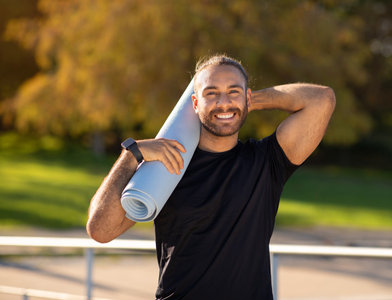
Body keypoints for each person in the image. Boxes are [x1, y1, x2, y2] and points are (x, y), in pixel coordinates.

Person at [86, 54, 336, 300]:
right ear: (194, 103)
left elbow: (322, 99)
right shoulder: (168, 167)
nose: (224, 102)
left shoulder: (266, 161)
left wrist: (251, 100)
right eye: (212, 93)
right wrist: (132, 155)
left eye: (233, 91)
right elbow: (100, 230)